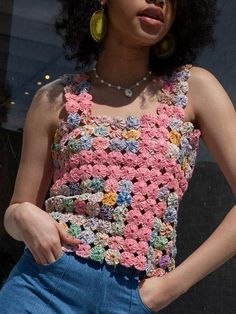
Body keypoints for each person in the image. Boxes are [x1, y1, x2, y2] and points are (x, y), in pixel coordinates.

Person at [0, 0, 236, 313]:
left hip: (132, 299)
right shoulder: (55, 98)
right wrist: (20, 215)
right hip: (41, 288)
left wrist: (167, 288)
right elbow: (17, 210)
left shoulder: (195, 88)